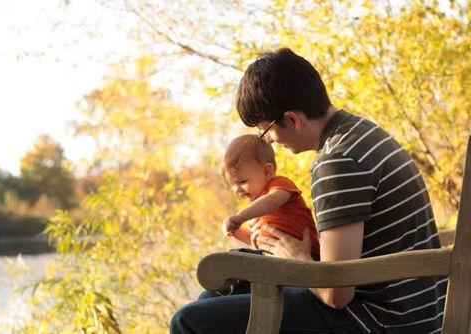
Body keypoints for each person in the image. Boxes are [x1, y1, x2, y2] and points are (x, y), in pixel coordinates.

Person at [170, 48, 447, 333]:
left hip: (378, 320)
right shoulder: (362, 133)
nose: (272, 142)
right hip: (412, 307)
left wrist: (298, 260)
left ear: (291, 120)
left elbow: (336, 295)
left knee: (188, 321)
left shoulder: (338, 162)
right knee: (219, 292)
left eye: (266, 132)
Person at [220, 134, 320, 258]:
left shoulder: (280, 185)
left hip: (308, 254)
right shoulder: (255, 207)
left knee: (238, 258)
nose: (237, 190)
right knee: (235, 257)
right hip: (274, 255)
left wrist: (240, 217)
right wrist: (235, 231)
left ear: (266, 171)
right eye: (232, 184)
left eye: (242, 182)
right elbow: (255, 241)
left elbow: (271, 201)